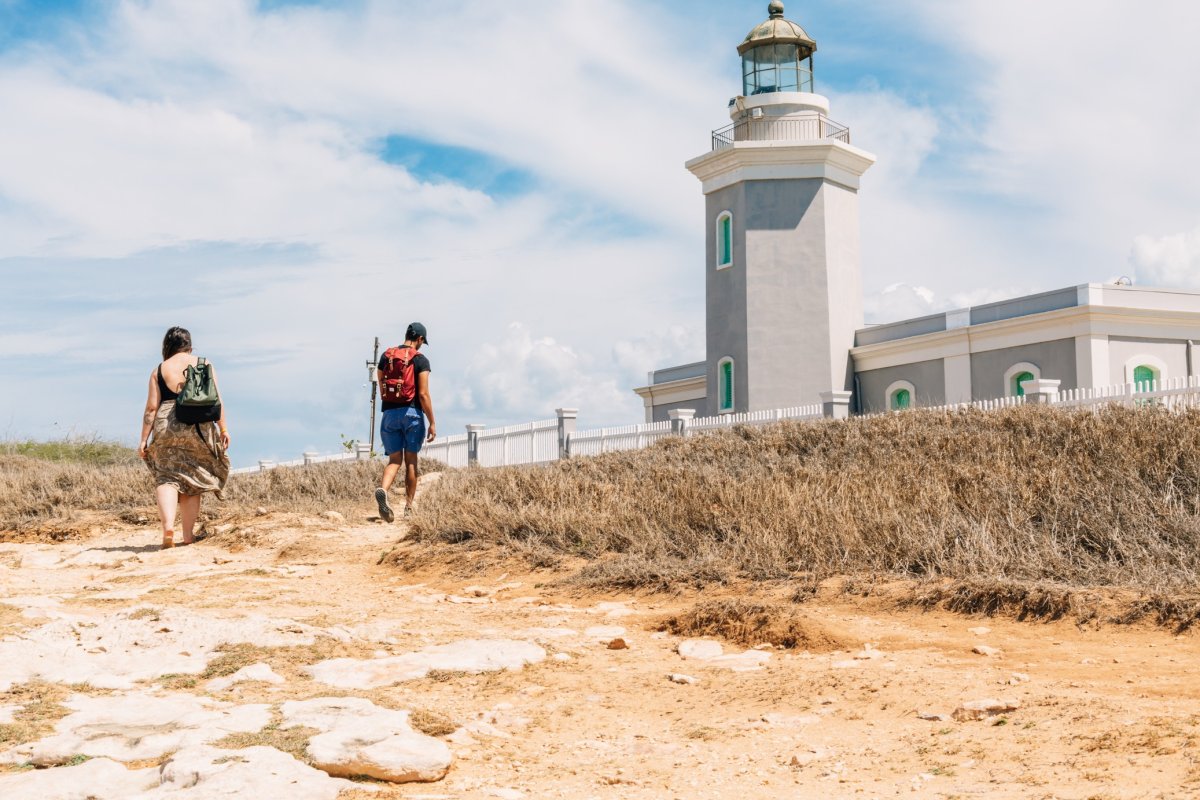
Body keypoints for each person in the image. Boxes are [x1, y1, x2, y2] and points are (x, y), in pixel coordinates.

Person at [138, 327, 231, 549]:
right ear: (190, 344)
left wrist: (143, 439)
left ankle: (168, 527)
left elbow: (152, 409)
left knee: (167, 477)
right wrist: (223, 429)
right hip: (198, 424)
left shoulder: (159, 370)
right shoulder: (204, 363)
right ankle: (188, 535)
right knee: (192, 479)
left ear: (167, 346)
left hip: (166, 424)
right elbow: (216, 399)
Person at [375, 322, 436, 522]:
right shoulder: (420, 360)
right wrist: (432, 422)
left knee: (394, 460)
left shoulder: (387, 356)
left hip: (389, 414)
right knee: (411, 462)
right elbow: (423, 394)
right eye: (421, 342)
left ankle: (383, 490)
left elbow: (381, 383)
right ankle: (409, 507)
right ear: (419, 339)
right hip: (412, 414)